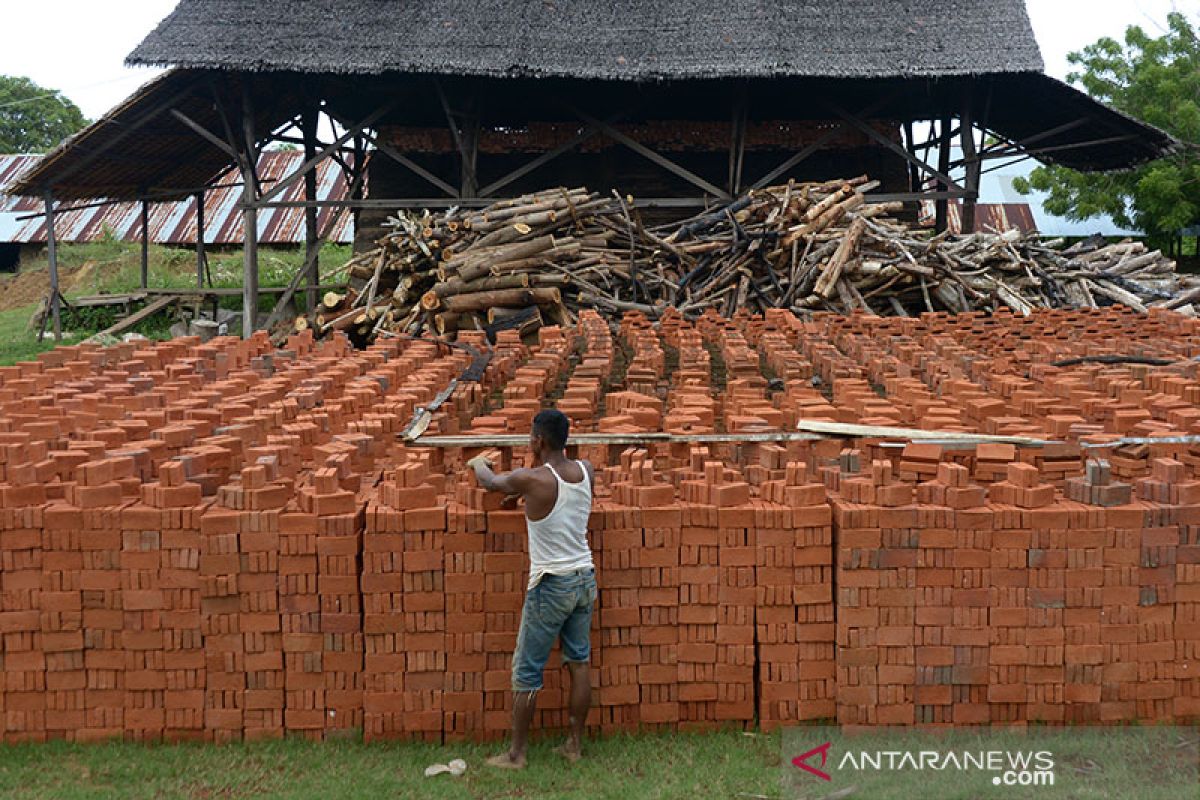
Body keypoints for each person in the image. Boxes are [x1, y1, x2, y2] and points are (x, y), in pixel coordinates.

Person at [467, 408, 596, 769]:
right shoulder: (586, 471)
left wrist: (478, 463)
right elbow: (560, 506)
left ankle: (516, 754)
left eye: (530, 435)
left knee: (527, 670)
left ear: (538, 440)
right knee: (579, 662)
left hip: (550, 585)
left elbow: (492, 483)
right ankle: (574, 745)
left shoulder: (533, 479)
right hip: (585, 578)